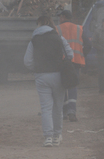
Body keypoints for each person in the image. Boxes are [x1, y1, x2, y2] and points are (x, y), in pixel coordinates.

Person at [24, 13, 73, 147]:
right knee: (58, 107)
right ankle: (57, 136)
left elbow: (27, 61)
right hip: (58, 75)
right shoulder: (58, 38)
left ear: (38, 25)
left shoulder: (34, 40)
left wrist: (37, 69)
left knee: (46, 108)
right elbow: (70, 54)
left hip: (41, 76)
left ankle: (48, 138)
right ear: (51, 24)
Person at [57, 11, 87, 122]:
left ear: (63, 17)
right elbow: (88, 44)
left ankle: (64, 112)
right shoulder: (80, 28)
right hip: (76, 61)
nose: (59, 18)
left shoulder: (57, 29)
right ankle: (72, 112)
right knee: (73, 86)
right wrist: (82, 54)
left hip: (62, 62)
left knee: (63, 85)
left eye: (60, 16)